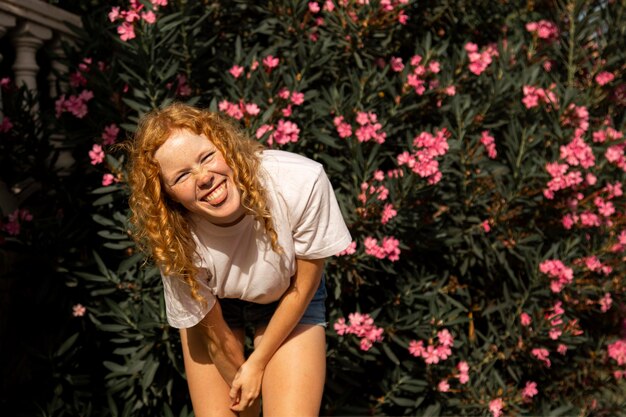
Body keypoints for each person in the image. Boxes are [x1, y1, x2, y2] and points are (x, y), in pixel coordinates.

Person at [127, 102, 352, 417]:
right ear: (169, 196)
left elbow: (304, 286)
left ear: (226, 146)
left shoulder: (300, 181)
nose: (203, 177)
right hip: (217, 310)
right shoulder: (173, 237)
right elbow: (214, 329)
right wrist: (247, 401)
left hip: (290, 294)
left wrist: (257, 363)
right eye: (181, 176)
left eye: (207, 157)